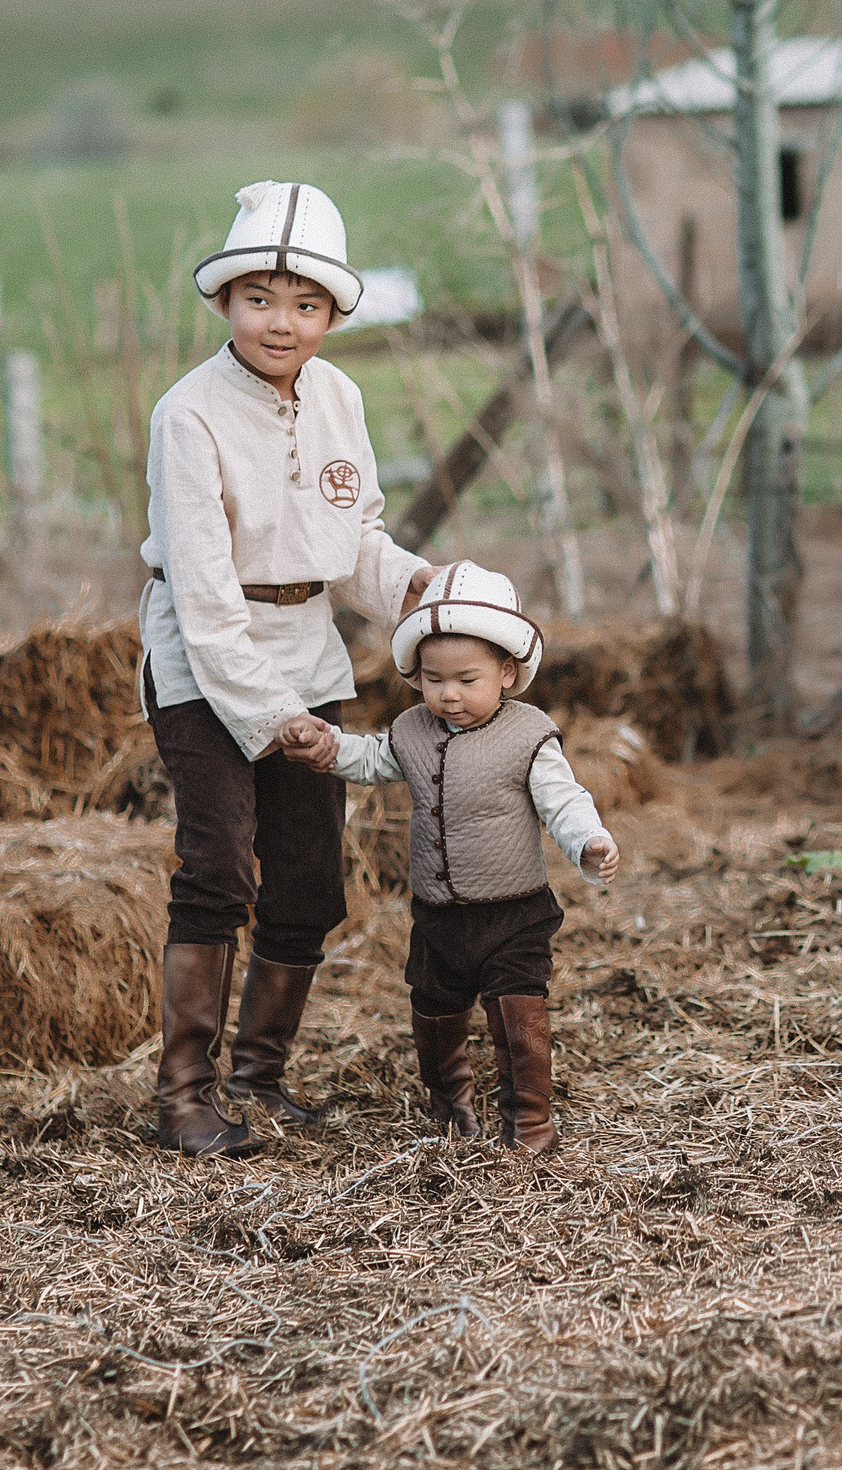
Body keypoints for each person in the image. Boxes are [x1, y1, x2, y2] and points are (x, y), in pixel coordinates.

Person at [138, 179, 434, 1158]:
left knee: (308, 880)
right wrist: (274, 722)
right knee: (218, 865)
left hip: (307, 644)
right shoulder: (189, 416)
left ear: (332, 314)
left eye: (306, 304)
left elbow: (353, 545)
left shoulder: (339, 397)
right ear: (225, 302)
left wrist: (420, 589)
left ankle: (259, 1078)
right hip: (203, 658)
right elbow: (206, 592)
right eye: (261, 298)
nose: (283, 321)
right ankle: (185, 1095)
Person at [285, 561, 618, 1154]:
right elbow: (370, 760)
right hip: (438, 912)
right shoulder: (412, 730)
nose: (449, 694)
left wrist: (588, 840)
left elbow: (563, 800)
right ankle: (450, 1105)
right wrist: (328, 748)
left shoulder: (529, 735)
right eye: (434, 679)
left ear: (508, 672)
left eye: (467, 679)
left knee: (519, 1010)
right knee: (434, 1009)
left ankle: (530, 1121)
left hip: (514, 911)